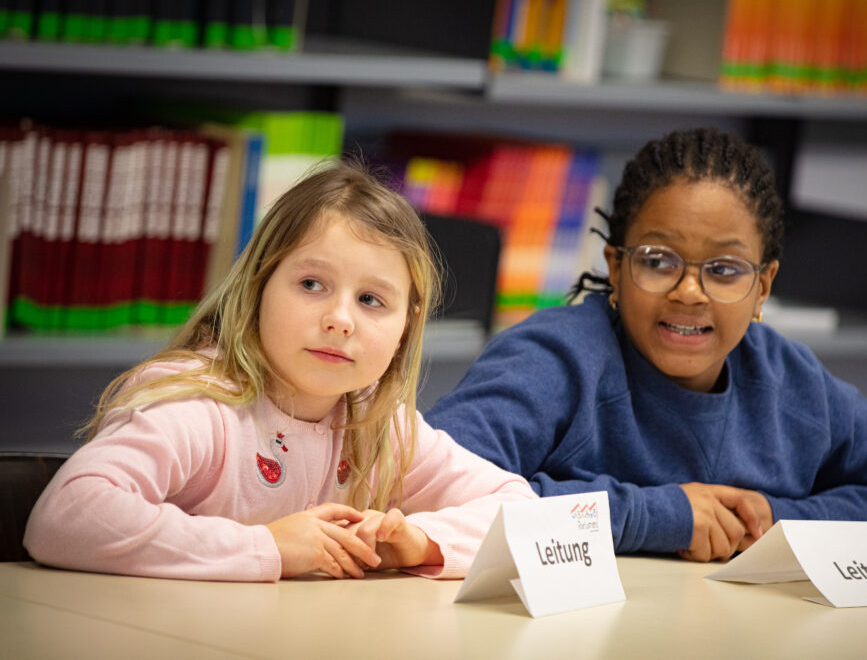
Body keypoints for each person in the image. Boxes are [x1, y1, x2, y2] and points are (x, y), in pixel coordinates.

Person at [426, 127, 867, 562]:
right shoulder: (554, 360)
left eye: (724, 269)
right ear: (616, 269)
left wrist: (776, 519)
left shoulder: (792, 383)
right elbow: (426, 488)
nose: (689, 292)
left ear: (762, 286)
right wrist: (662, 514)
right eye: (658, 261)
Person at [25, 161, 536, 582]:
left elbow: (523, 512)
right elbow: (68, 514)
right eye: (312, 284)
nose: (339, 319)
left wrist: (417, 545)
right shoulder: (200, 405)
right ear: (258, 285)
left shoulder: (380, 425)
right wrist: (267, 547)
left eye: (371, 300)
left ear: (408, 323)